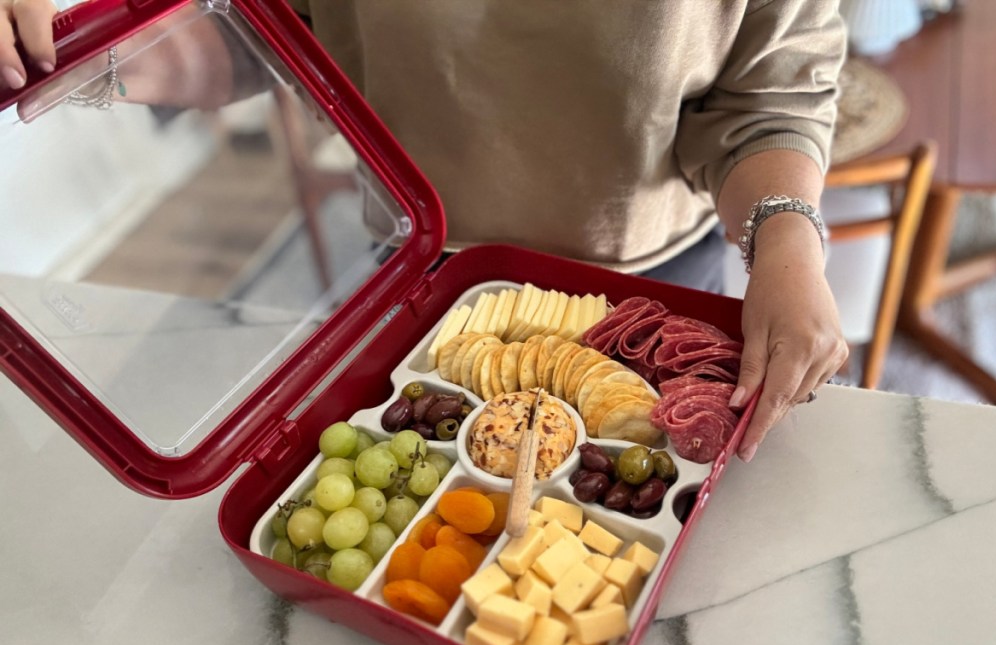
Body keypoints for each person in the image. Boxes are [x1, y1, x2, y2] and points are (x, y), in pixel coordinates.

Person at [1, 0, 849, 463]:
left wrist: (786, 247)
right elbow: (259, 32)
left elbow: (766, 96)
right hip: (419, 263)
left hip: (648, 267)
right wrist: (68, 40)